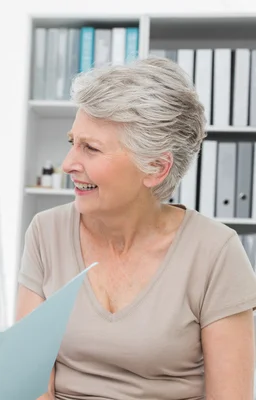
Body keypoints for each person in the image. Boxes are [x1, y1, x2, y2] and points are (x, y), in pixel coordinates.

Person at [17, 57, 256, 399]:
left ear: (156, 168)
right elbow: (31, 386)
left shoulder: (215, 252)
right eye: (73, 142)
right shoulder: (46, 232)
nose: (69, 164)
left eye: (91, 148)